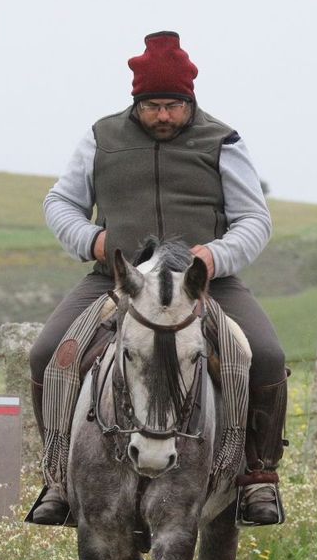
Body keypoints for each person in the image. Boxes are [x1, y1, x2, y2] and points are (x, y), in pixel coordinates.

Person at [27, 31, 288, 526]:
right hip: (119, 280)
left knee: (267, 356)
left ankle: (257, 476)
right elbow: (59, 202)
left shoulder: (222, 140)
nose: (163, 115)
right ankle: (59, 478)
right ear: (136, 102)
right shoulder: (101, 137)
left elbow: (255, 219)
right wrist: (94, 242)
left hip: (205, 283)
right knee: (47, 354)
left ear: (190, 100)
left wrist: (213, 256)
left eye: (172, 105)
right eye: (152, 106)